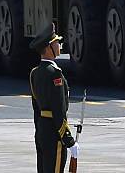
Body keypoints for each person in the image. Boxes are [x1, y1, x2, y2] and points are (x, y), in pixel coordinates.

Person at [29, 23, 80, 173]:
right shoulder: (55, 74)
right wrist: (68, 140)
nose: (59, 45)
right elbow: (59, 110)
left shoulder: (34, 73)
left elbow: (36, 109)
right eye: (56, 42)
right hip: (54, 132)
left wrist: (39, 131)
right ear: (49, 47)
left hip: (42, 131)